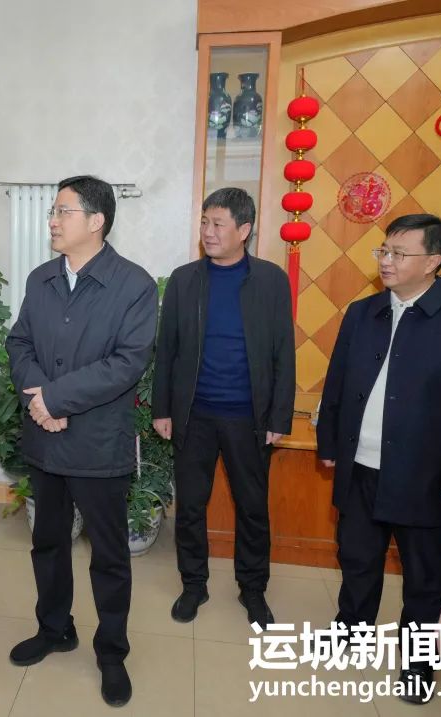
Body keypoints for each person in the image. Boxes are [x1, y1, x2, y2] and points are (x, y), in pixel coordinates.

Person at [316, 213, 441, 703]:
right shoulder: (363, 312)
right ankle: (351, 632)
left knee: (424, 579)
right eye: (384, 250)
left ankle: (418, 665)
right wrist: (330, 444)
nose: (386, 261)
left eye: (399, 253)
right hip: (361, 467)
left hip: (426, 477)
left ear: (433, 261)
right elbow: (338, 383)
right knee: (357, 559)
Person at [5, 175, 157, 707]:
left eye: (62, 211)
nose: (52, 220)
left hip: (97, 442)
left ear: (96, 221)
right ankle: (54, 628)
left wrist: (56, 399)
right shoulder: (41, 278)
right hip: (45, 440)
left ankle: (111, 652)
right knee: (47, 542)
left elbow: (127, 363)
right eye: (52, 211)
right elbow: (19, 342)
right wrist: (38, 400)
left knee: (108, 554)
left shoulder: (133, 285)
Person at [150, 187, 295, 628]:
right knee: (191, 506)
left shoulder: (270, 280)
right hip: (193, 415)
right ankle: (193, 584)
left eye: (218, 224)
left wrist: (279, 416)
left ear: (244, 229)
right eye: (204, 222)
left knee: (252, 507)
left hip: (249, 417)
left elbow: (283, 352)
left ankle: (253, 589)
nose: (207, 232)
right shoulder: (185, 280)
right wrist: (162, 409)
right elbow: (167, 349)